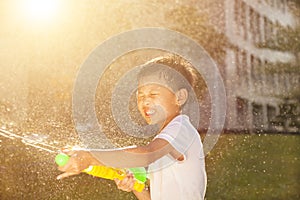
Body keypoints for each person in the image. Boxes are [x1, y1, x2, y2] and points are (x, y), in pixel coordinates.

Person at [57, 54, 207, 200]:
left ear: (179, 97)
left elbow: (146, 154)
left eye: (153, 94)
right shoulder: (166, 140)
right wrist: (137, 186)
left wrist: (90, 157)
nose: (145, 101)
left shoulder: (181, 130)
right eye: (140, 96)